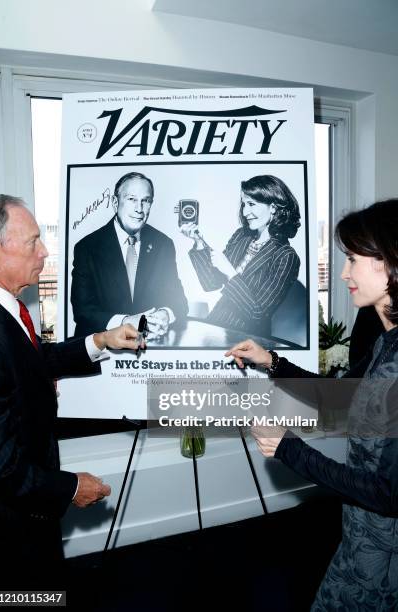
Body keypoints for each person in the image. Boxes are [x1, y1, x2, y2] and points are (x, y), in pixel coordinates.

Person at [226, 199, 398, 610]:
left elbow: (388, 493)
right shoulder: (385, 342)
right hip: (362, 541)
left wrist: (288, 449)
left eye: (352, 259)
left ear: (389, 263)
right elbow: (340, 398)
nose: (343, 273)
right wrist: (272, 362)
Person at [0, 194, 145, 588]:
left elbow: (35, 360)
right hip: (9, 527)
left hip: (26, 515)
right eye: (33, 242)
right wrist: (71, 487)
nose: (44, 252)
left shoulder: (7, 310)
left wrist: (102, 340)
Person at [71, 171, 188, 338]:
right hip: (104, 354)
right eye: (132, 199)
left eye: (145, 201)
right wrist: (126, 322)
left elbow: (179, 301)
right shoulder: (87, 247)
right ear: (115, 202)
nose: (139, 209)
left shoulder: (163, 244)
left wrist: (166, 314)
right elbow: (83, 311)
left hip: (150, 352)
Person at [181, 174, 301, 337]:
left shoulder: (286, 257)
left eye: (251, 204)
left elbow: (257, 314)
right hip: (215, 325)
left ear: (273, 207)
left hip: (247, 339)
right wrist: (198, 243)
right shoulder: (241, 236)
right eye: (244, 204)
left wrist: (230, 272)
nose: (245, 212)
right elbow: (211, 284)